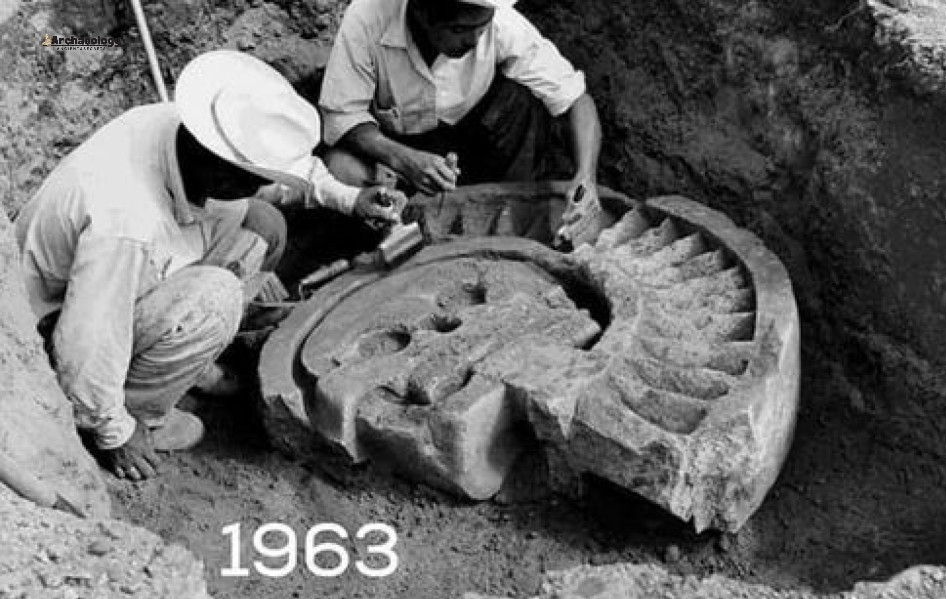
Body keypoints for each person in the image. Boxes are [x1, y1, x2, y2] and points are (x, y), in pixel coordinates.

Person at [14, 50, 403, 482]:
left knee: (264, 224)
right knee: (218, 297)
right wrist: (112, 430)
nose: (261, 186)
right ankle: (137, 410)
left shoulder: (186, 134)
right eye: (251, 180)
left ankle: (180, 360)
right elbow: (88, 337)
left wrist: (350, 200)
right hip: (57, 324)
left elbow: (282, 178)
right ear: (221, 172)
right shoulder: (124, 220)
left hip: (129, 277)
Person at [319, 0, 606, 244]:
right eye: (459, 30)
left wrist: (586, 177)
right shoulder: (368, 18)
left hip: (477, 137)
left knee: (522, 100)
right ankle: (388, 242)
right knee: (341, 168)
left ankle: (511, 215)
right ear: (421, 12)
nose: (474, 39)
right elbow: (342, 115)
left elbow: (575, 99)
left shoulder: (497, 18)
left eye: (482, 27)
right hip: (395, 147)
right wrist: (405, 160)